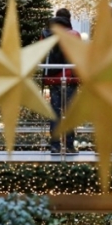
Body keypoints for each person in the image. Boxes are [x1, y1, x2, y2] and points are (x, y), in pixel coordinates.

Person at [44, 16, 80, 154]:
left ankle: (55, 144)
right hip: (70, 78)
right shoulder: (73, 34)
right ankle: (69, 145)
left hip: (53, 79)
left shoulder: (47, 35)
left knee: (55, 112)